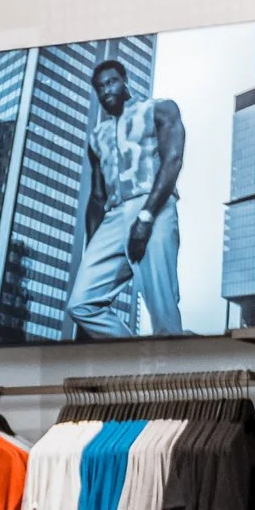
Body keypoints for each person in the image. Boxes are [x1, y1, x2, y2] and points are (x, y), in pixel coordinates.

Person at [65, 55, 184, 336]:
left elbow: (173, 160)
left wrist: (146, 217)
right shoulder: (97, 136)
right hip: (114, 215)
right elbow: (96, 197)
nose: (106, 90)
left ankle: (173, 369)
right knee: (81, 303)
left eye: (111, 82)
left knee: (162, 308)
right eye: (100, 87)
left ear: (125, 81)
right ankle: (134, 354)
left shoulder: (159, 109)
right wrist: (92, 250)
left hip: (152, 203)